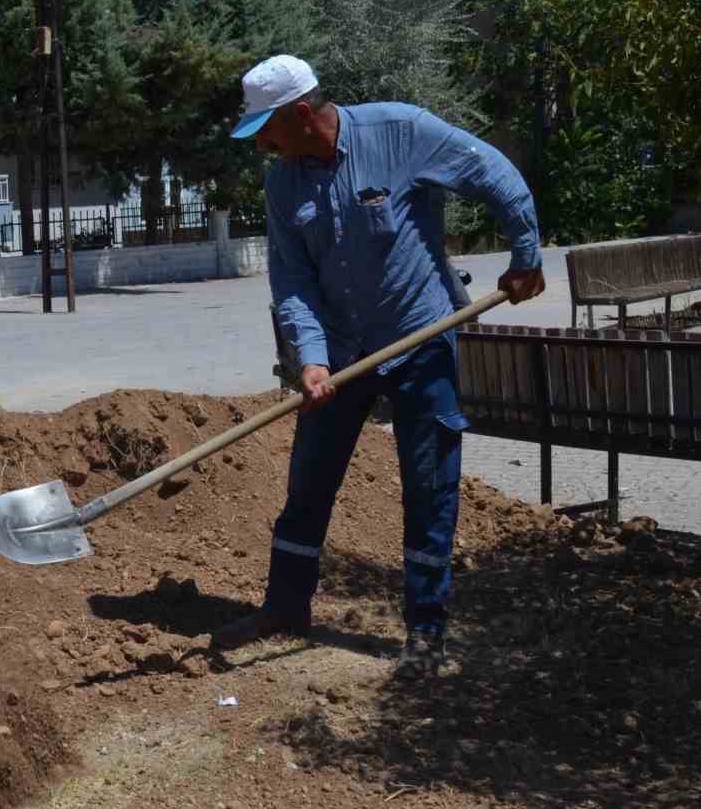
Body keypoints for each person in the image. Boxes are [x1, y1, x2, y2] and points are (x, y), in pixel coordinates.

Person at [217, 55, 546, 679]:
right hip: (341, 355)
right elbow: (292, 283)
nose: (261, 143)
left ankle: (426, 634)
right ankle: (286, 611)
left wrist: (525, 252)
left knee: (429, 488)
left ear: (300, 115)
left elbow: (494, 173)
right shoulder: (283, 182)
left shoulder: (401, 131)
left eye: (266, 129)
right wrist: (310, 360)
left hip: (421, 339)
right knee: (308, 484)